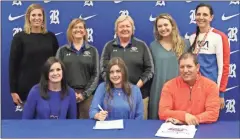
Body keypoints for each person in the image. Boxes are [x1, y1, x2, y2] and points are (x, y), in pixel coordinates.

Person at [100, 15, 154, 119]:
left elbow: (150, 69)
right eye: (121, 26)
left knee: (138, 131)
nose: (125, 29)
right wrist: (114, 86)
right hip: (113, 96)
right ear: (116, 30)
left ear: (132, 29)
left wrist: (135, 88)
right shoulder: (109, 46)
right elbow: (103, 69)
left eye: (127, 26)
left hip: (139, 95)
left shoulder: (141, 45)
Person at [9, 4, 59, 107]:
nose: (37, 18)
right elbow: (13, 65)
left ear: (43, 18)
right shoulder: (19, 38)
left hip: (49, 87)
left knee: (49, 122)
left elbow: (57, 63)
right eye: (33, 15)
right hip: (26, 89)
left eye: (39, 15)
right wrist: (13, 91)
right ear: (28, 17)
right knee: (29, 122)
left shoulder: (51, 37)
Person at [159, 52, 220, 125]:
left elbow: (213, 114)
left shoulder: (211, 86)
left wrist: (190, 120)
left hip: (202, 129)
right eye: (182, 67)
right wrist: (184, 116)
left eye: (189, 66)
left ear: (197, 67)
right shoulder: (168, 86)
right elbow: (163, 112)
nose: (185, 70)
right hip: (176, 130)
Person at [188, 3, 230, 109]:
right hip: (193, 89)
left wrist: (221, 93)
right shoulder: (192, 38)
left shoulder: (219, 37)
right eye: (198, 14)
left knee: (209, 124)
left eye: (205, 15)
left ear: (211, 17)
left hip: (211, 90)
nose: (201, 17)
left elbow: (224, 67)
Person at [149, 13, 190, 119]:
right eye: (160, 26)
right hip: (158, 90)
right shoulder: (153, 46)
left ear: (172, 25)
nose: (163, 28)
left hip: (180, 90)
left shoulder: (185, 44)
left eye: (166, 25)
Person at [56, 18, 99, 119]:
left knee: (86, 129)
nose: (78, 29)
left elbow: (96, 74)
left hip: (87, 96)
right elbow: (57, 73)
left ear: (84, 31)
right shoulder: (62, 51)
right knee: (66, 128)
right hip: (65, 95)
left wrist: (84, 94)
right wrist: (69, 92)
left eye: (81, 27)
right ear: (70, 31)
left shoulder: (93, 51)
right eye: (75, 27)